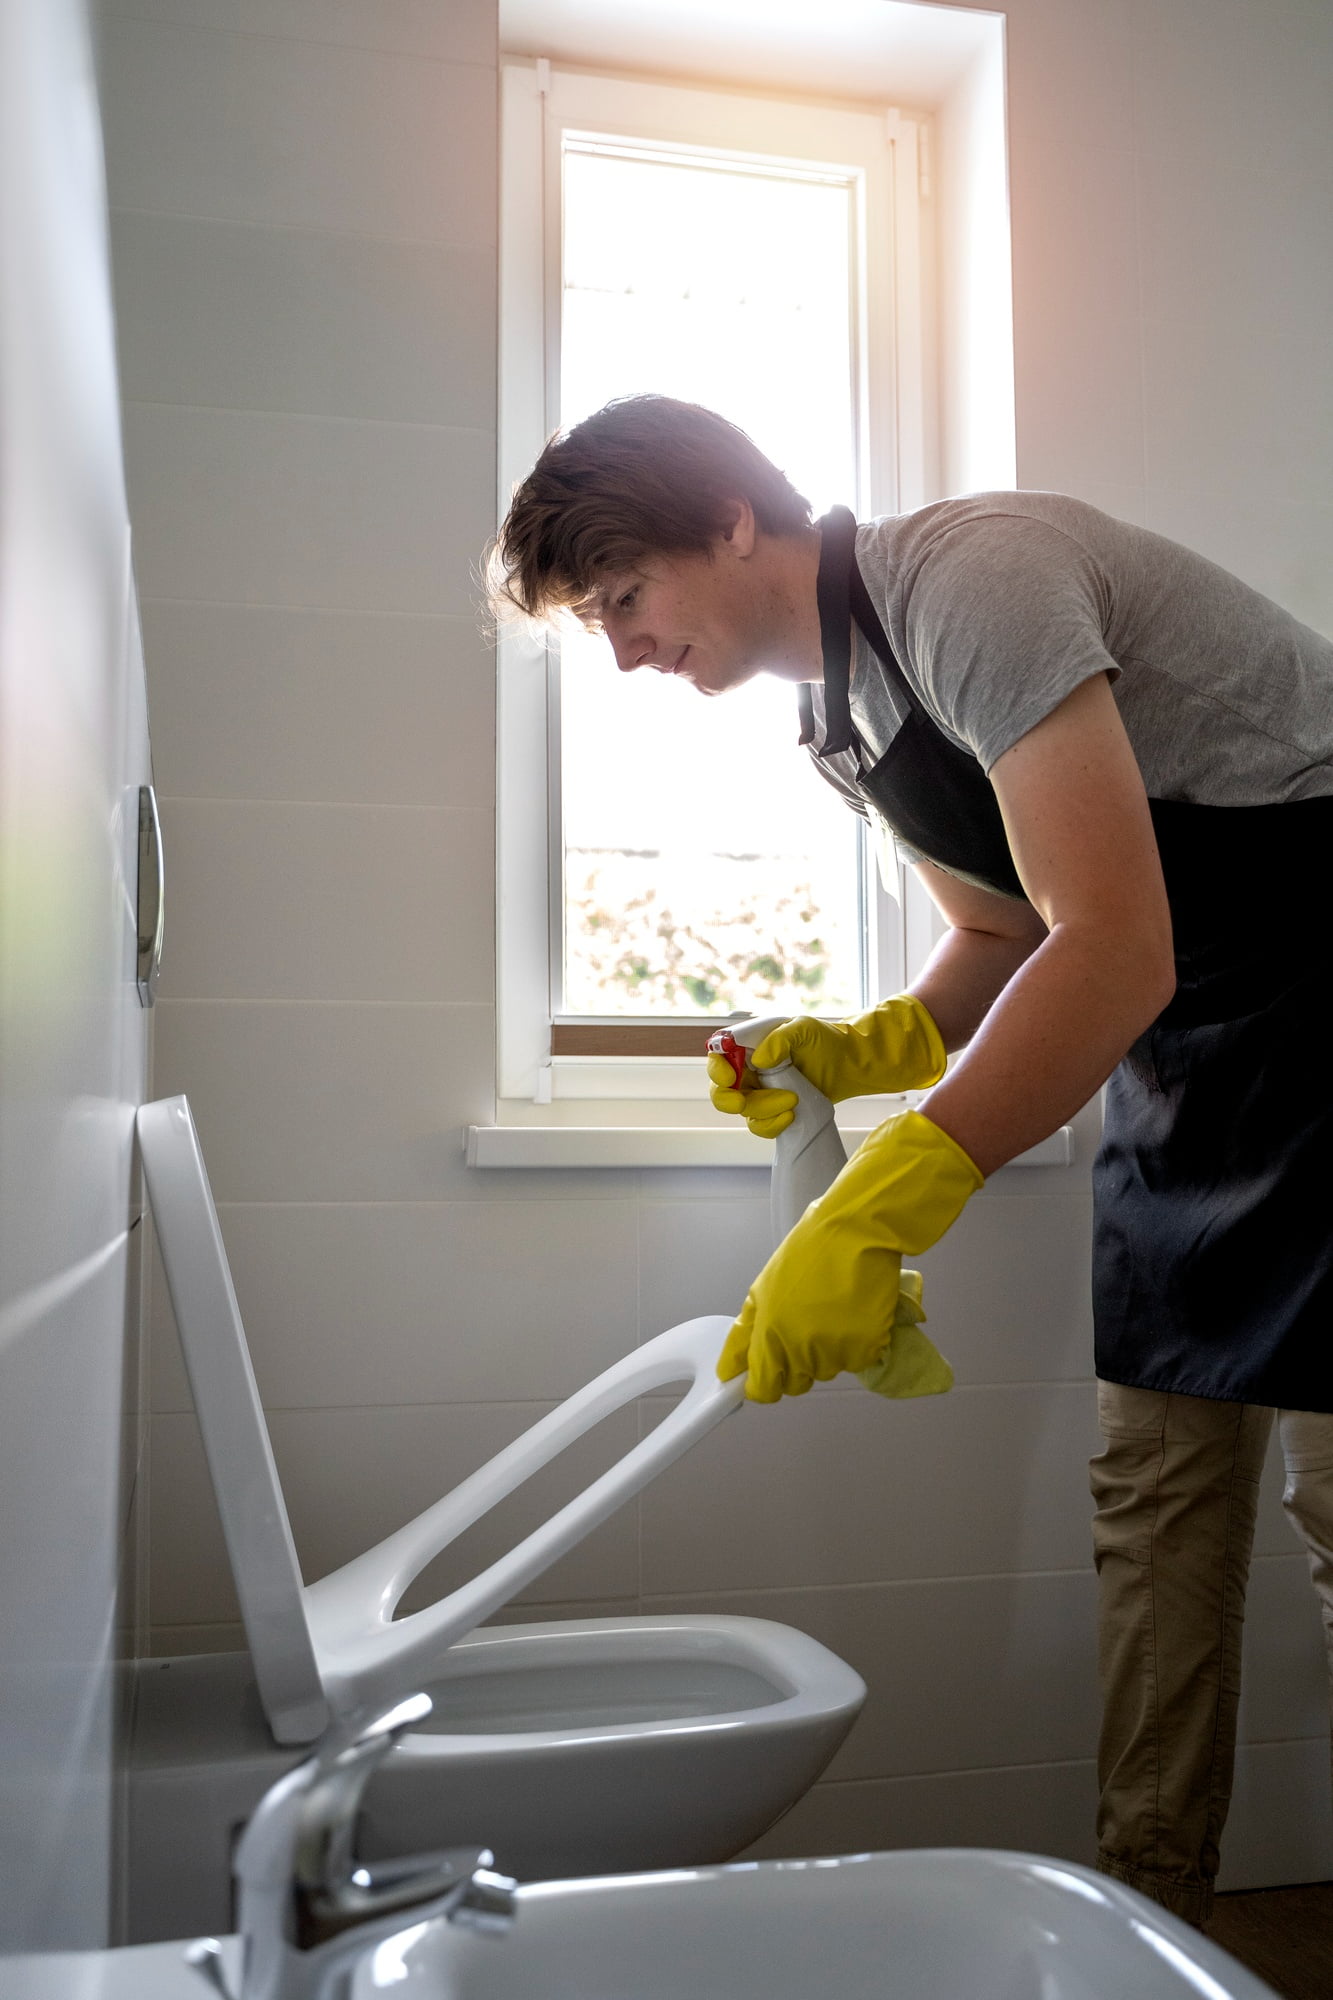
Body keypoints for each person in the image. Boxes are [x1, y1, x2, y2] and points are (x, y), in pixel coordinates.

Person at [487, 392, 1333, 1926]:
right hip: (1188, 1030)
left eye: (622, 600)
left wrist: (884, 1204)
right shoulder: (840, 716)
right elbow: (1002, 936)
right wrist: (857, 1047)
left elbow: (1104, 942)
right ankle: (1147, 1919)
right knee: (1151, 1501)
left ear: (731, 522)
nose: (618, 651)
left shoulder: (970, 582)